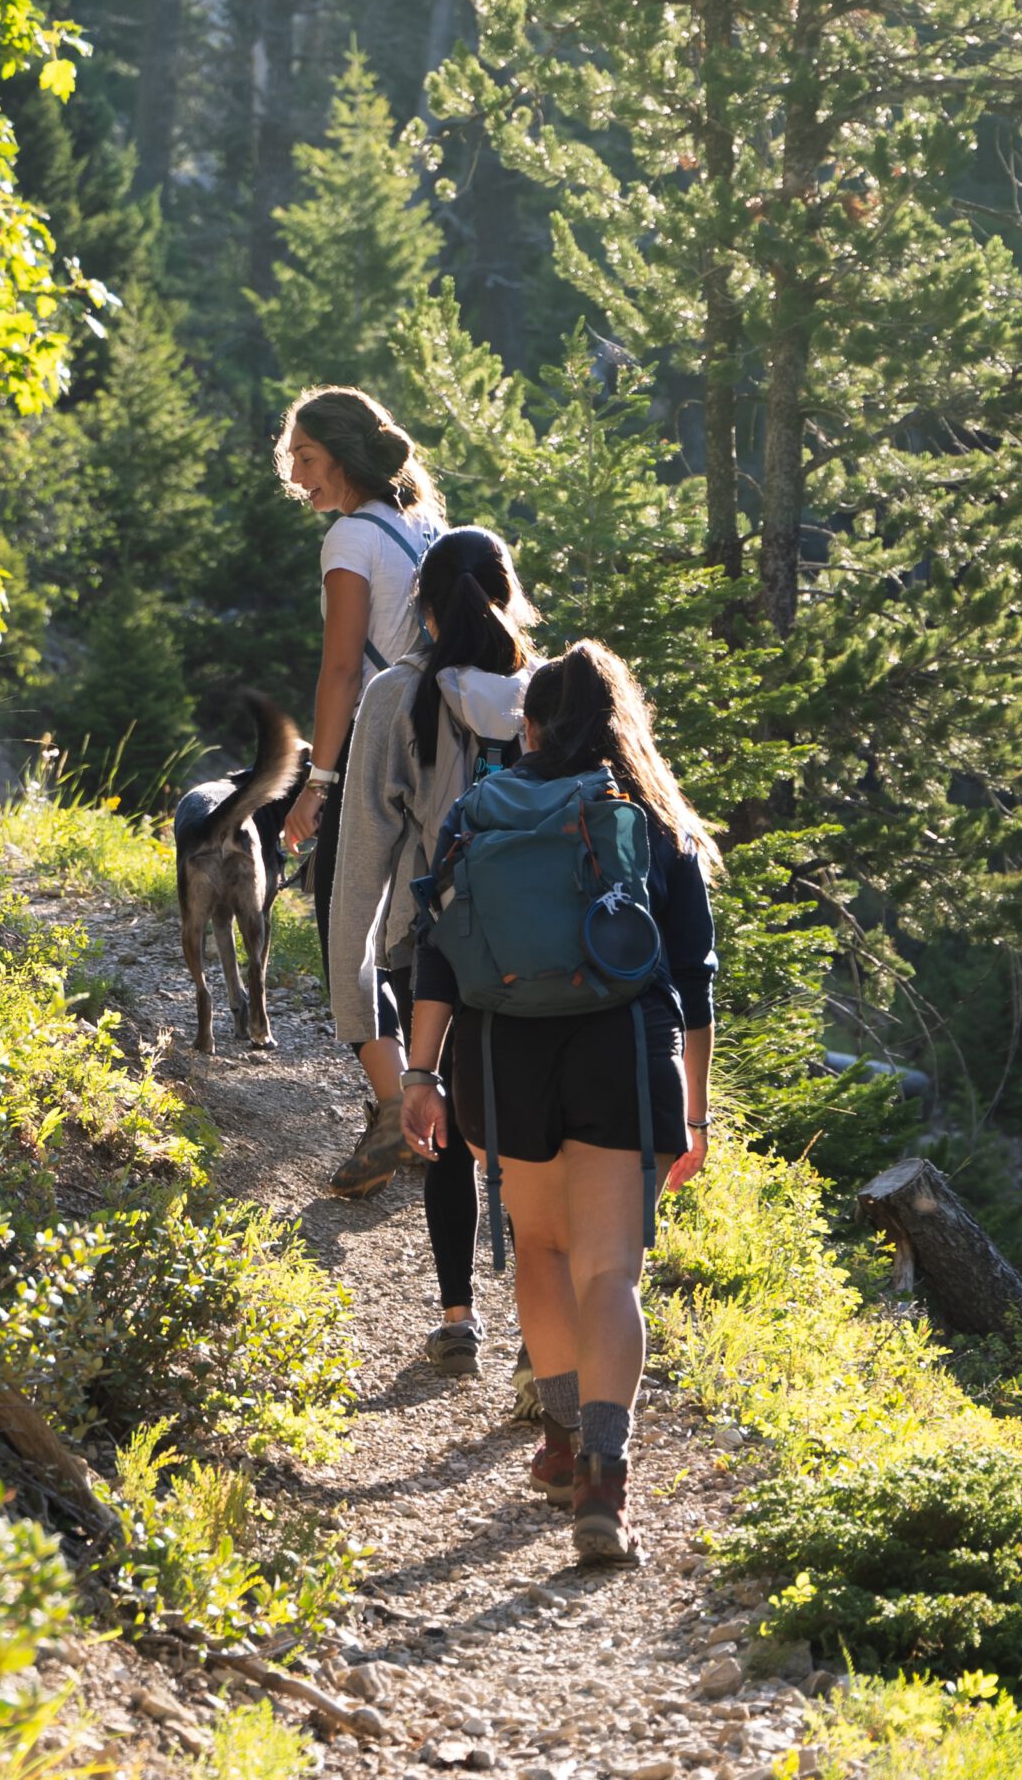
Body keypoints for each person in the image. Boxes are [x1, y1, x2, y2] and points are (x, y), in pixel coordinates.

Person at [398, 641, 717, 1565]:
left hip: (505, 1056)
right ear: (623, 723)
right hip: (621, 1049)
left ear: (528, 723)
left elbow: (438, 952)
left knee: (537, 1247)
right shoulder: (651, 818)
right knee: (609, 1270)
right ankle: (606, 1485)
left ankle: (562, 1440)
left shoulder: (478, 809)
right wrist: (693, 1115)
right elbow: (693, 983)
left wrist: (421, 1077)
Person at [327, 525, 536, 1373]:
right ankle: (539, 1333)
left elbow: (365, 858)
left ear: (420, 604)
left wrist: (354, 988)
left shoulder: (397, 696)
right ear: (509, 592)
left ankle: (458, 1318)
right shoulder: (543, 694)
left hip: (432, 952)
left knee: (440, 1121)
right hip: (534, 951)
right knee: (527, 1133)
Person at [274, 386, 445, 1195]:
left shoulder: (348, 539)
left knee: (351, 937)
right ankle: (430, 1105)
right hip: (439, 755)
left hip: (374, 755)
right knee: (413, 937)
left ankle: (392, 1114)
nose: (297, 475)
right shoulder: (424, 529)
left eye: (305, 459)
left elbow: (342, 669)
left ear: (340, 456)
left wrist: (319, 783)